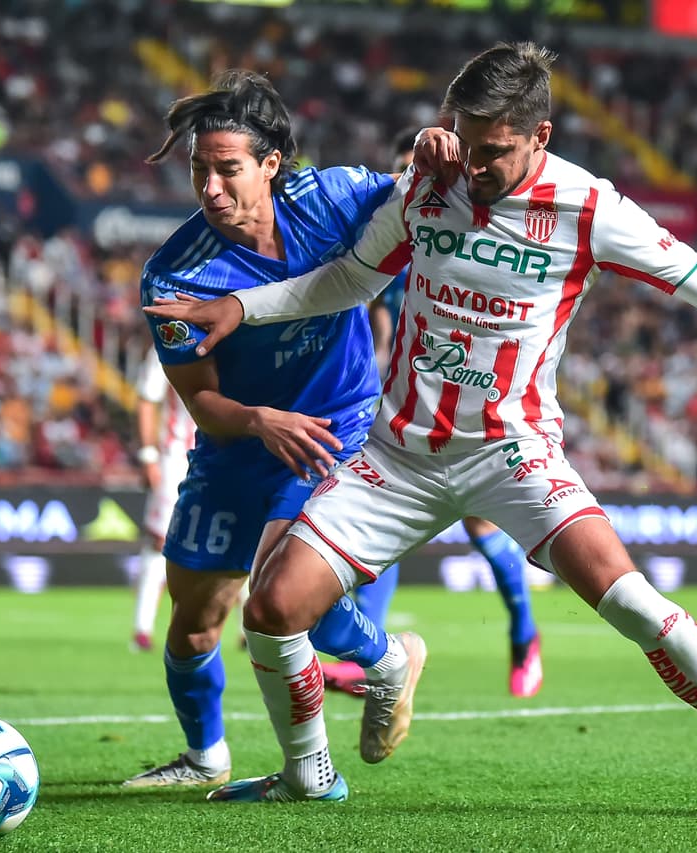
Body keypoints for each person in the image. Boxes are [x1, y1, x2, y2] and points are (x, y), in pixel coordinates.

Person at [144, 42, 697, 810]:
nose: (474, 166)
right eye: (464, 142)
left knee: (633, 602)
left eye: (493, 151)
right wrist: (241, 307)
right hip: (400, 454)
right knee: (271, 609)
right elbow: (348, 281)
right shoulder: (429, 185)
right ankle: (308, 776)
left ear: (541, 136)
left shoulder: (589, 207)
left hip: (512, 452)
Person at [125, 70, 442, 790]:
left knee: (283, 593)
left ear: (270, 164)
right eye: (199, 171)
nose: (209, 188)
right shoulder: (173, 277)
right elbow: (201, 401)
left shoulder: (331, 198)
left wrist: (436, 148)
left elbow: (419, 196)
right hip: (239, 442)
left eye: (226, 170)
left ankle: (383, 667)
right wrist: (257, 420)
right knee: (194, 621)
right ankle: (204, 757)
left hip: (336, 428)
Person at [322, 127, 543, 699]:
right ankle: (369, 651)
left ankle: (524, 634)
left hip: (468, 391)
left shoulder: (466, 227)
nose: (416, 179)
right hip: (402, 391)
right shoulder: (389, 232)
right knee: (378, 500)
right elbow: (375, 312)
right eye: (407, 169)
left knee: (479, 524)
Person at [130, 346, 196, 653]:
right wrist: (148, 455)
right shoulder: (170, 339)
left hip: (224, 455)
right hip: (176, 456)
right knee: (160, 540)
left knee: (241, 534)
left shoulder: (236, 335)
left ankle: (245, 631)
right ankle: (142, 628)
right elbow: (148, 398)